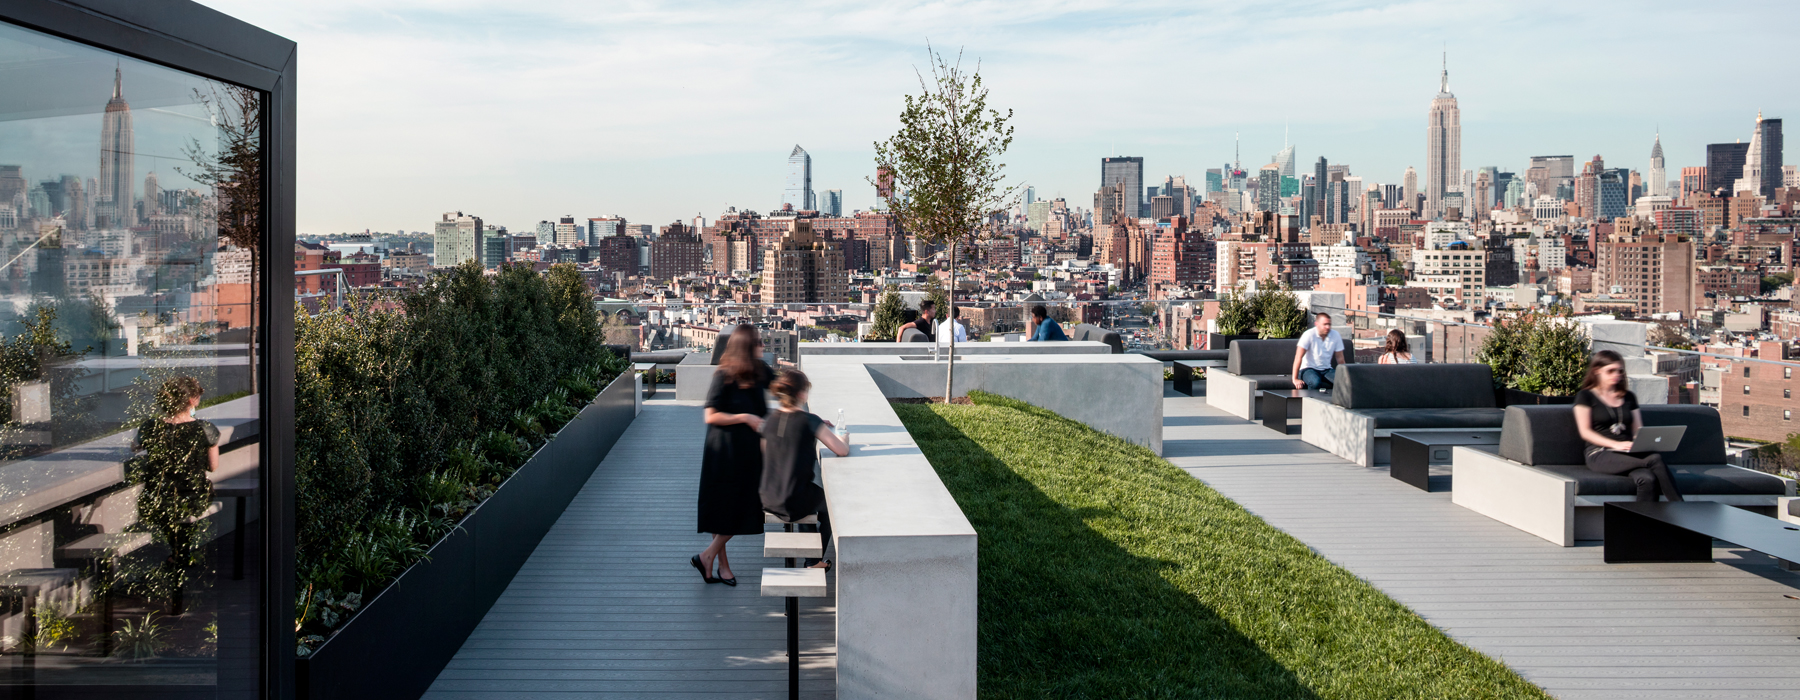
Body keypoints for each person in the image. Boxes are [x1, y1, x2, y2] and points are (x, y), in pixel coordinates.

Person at [130, 375, 219, 614]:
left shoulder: (150, 427)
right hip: (191, 499)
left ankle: (177, 554)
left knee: (171, 513)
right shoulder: (204, 428)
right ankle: (181, 555)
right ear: (192, 400)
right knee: (190, 507)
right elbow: (213, 466)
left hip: (157, 500)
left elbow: (135, 446)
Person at [693, 324, 773, 586]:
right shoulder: (724, 375)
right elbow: (710, 415)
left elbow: (787, 392)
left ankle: (712, 561)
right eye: (758, 342)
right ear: (746, 348)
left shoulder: (761, 371)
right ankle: (717, 564)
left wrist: (815, 421)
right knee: (727, 509)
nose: (763, 346)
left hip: (749, 453)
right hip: (724, 452)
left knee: (741, 507)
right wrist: (745, 417)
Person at [760, 369, 850, 570]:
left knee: (806, 494)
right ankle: (813, 560)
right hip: (792, 500)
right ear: (802, 394)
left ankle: (811, 556)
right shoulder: (810, 421)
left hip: (768, 496)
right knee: (831, 508)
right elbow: (841, 450)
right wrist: (843, 437)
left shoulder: (770, 419)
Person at [1572, 349, 1683, 502]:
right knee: (1654, 459)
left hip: (1627, 452)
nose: (1616, 375)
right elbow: (1585, 432)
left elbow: (1638, 430)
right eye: (1610, 371)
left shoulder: (1628, 397)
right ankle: (1681, 509)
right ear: (1596, 371)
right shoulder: (1585, 396)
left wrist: (1641, 444)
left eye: (1619, 371)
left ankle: (1643, 525)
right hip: (1599, 453)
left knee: (1647, 479)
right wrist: (1616, 445)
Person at [1291, 312, 1345, 392]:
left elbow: (1340, 359)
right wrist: (1295, 379)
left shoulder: (1335, 335)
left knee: (1343, 382)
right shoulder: (1308, 335)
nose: (1327, 327)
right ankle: (1310, 401)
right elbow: (1298, 357)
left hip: (1327, 370)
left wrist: (1345, 376)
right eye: (1325, 324)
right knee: (1315, 382)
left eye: (1329, 324)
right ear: (1317, 324)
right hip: (1308, 369)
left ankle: (1336, 402)